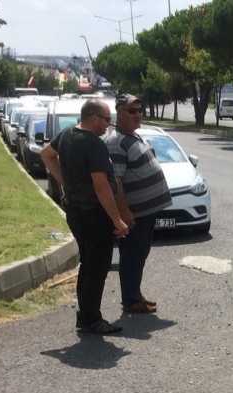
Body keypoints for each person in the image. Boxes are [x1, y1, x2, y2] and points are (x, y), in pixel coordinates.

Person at [41, 100, 129, 335]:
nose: (107, 126)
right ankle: (91, 319)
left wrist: (66, 183)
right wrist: (117, 220)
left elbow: (47, 155)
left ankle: (86, 315)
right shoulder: (93, 144)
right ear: (93, 117)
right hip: (94, 215)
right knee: (97, 267)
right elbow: (101, 186)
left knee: (88, 263)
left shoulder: (67, 135)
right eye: (106, 120)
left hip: (76, 212)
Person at [104, 94, 172, 314]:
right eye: (131, 111)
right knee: (133, 255)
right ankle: (131, 300)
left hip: (146, 212)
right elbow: (116, 181)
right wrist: (124, 212)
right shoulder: (117, 141)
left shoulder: (132, 136)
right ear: (119, 112)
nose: (137, 115)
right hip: (136, 213)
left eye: (139, 110)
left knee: (139, 254)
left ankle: (135, 295)